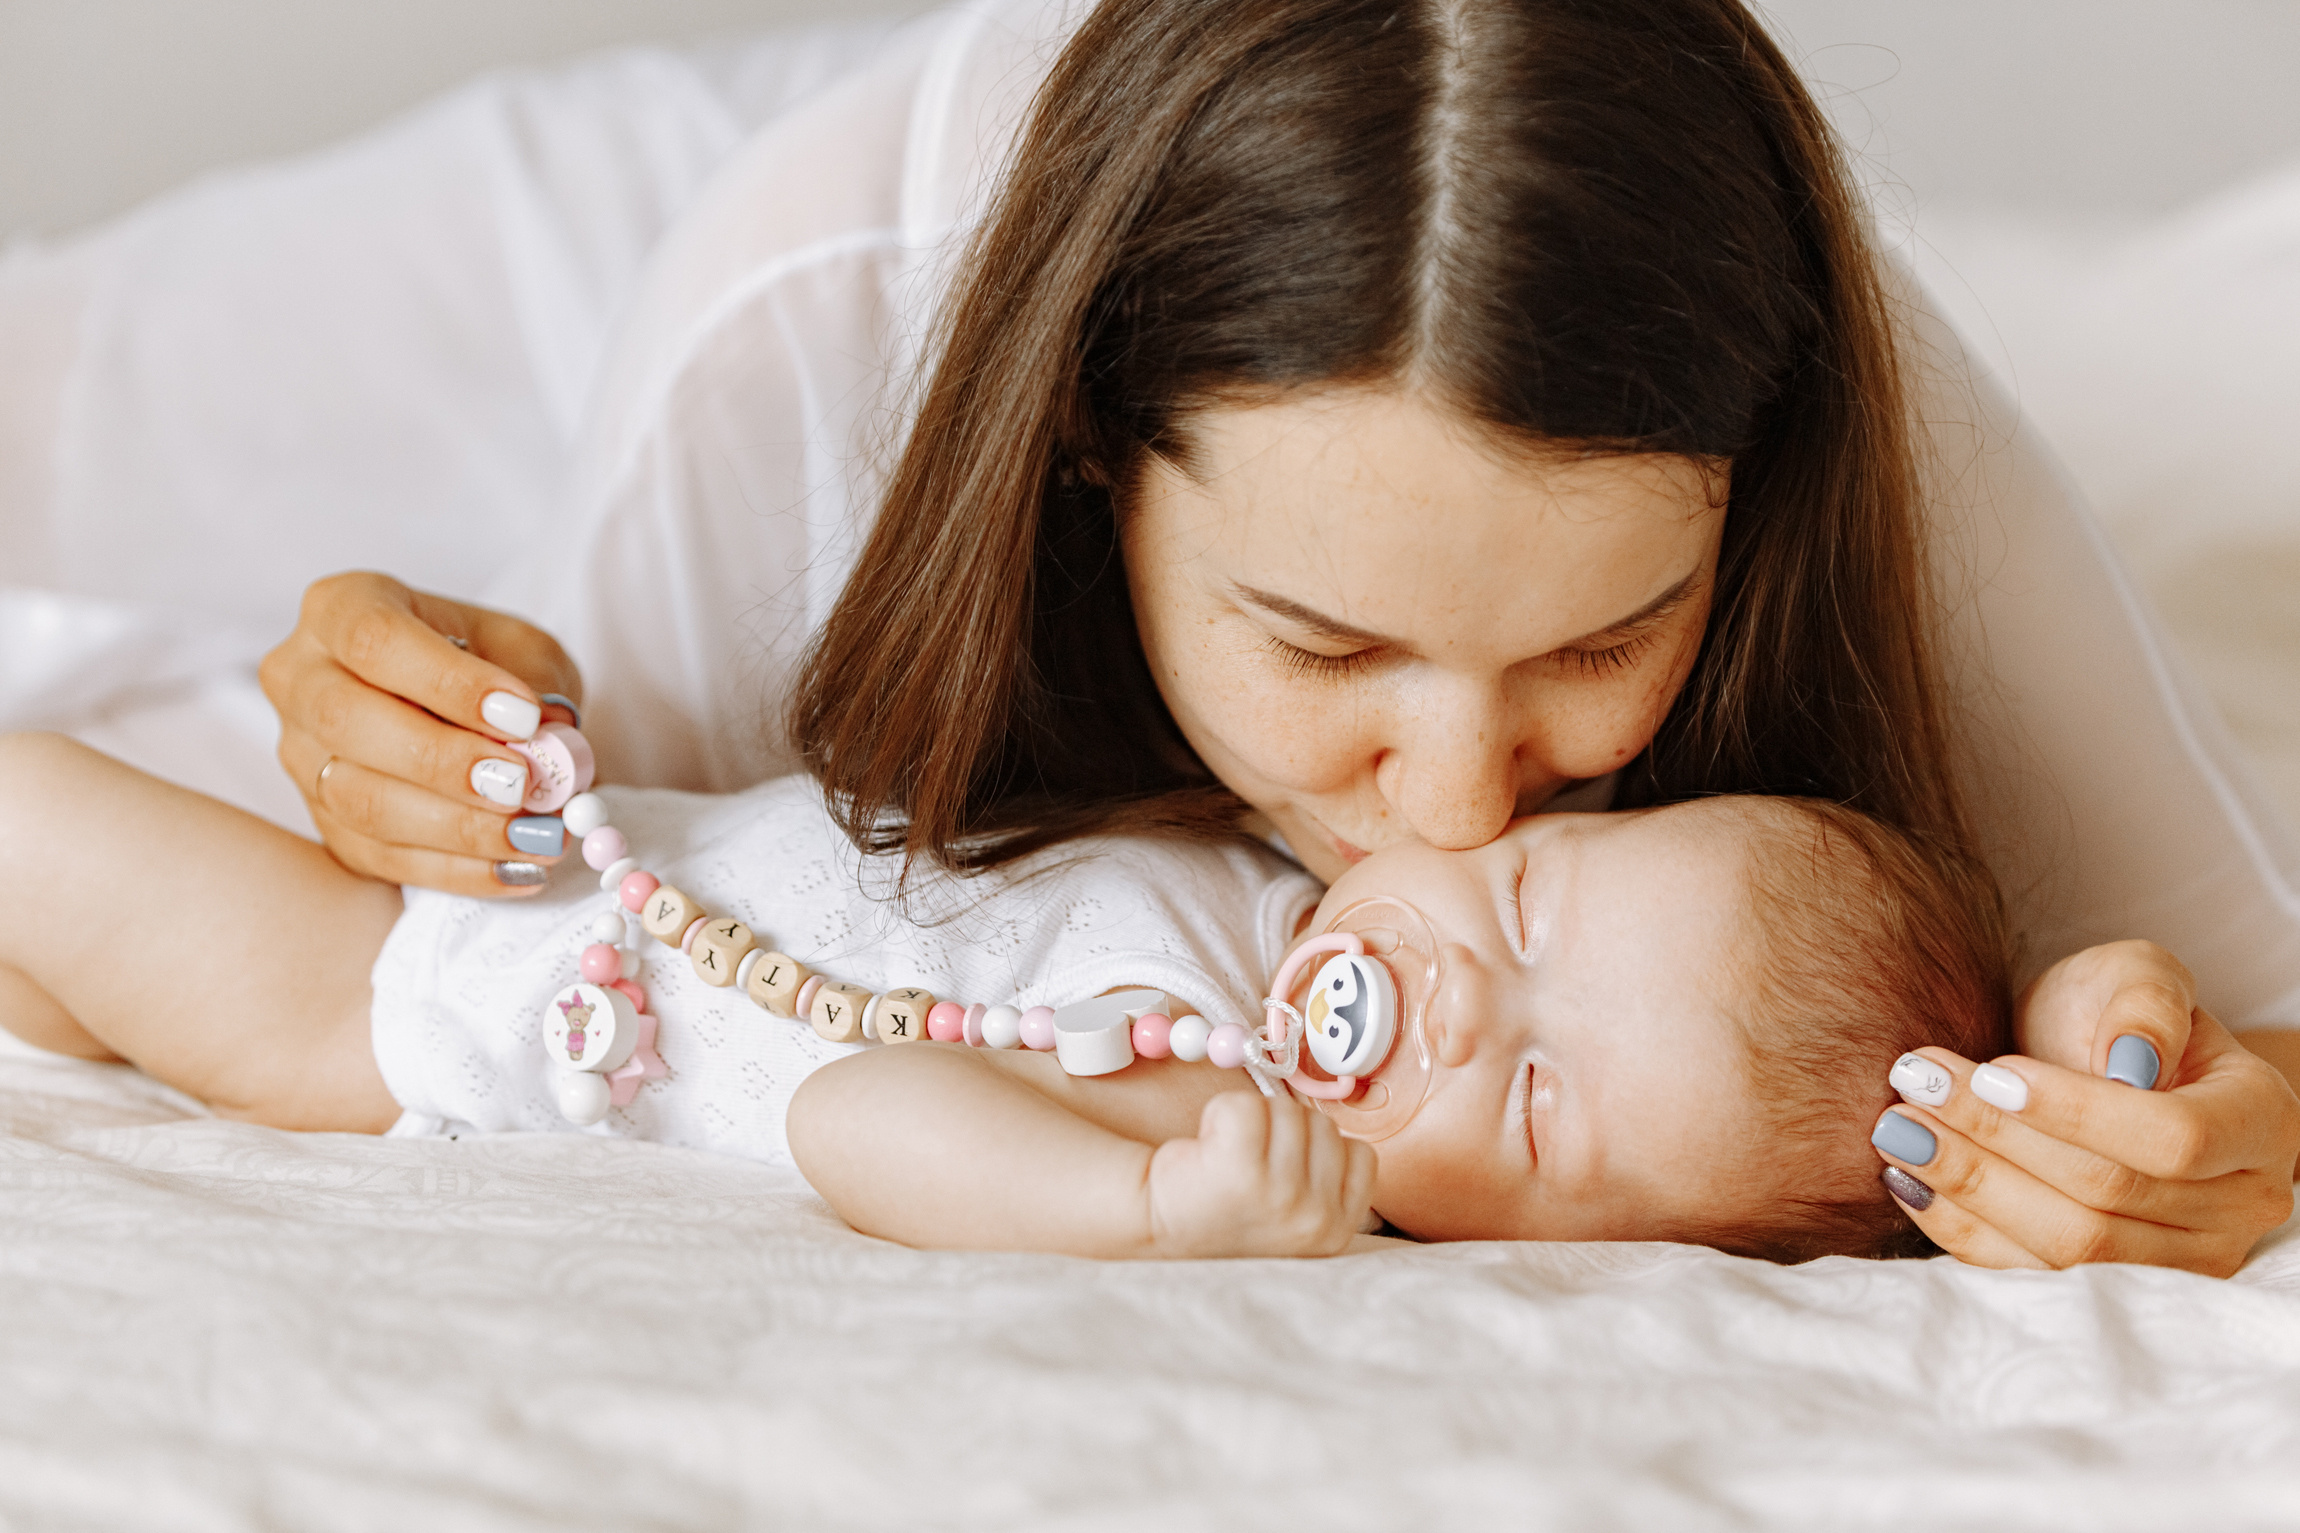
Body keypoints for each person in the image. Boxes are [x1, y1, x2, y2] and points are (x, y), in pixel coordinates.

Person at [22, 0, 2300, 1271]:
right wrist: (392, 721)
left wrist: (2146, 1082)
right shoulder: (800, 338)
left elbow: (2236, 1021)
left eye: (1605, 645)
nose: (1455, 802)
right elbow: (592, 919)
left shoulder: (1791, 364)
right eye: (1323, 650)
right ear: (1100, 470)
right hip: (619, 250)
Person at [0, 732, 2018, 1263]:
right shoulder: (1284, 865)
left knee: (40, 825)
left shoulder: (1226, 1127)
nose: (1474, 993)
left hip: (427, 1002)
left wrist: (1142, 1212)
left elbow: (847, 1117)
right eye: (1524, 895)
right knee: (55, 961)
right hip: (547, 858)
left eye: (1545, 1105)